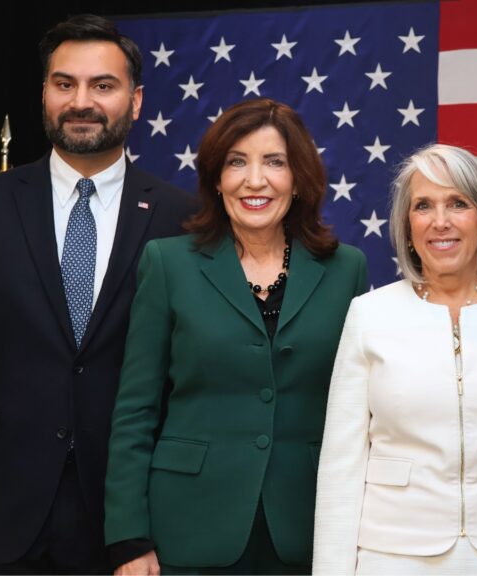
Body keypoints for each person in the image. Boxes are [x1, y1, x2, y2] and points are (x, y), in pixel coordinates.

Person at [0, 14, 194, 575]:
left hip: (125, 525)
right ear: (44, 93)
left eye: (103, 85)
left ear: (137, 100)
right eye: (64, 83)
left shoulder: (183, 218)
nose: (82, 101)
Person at [104, 97, 367, 575]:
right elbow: (135, 409)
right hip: (187, 529)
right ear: (216, 178)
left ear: (299, 178)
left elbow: (361, 410)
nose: (254, 180)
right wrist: (127, 537)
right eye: (236, 163)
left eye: (274, 162)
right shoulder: (168, 263)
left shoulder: (346, 269)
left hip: (308, 531)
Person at [312, 144, 477, 575]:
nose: (440, 221)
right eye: (423, 206)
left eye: (458, 203)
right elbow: (341, 466)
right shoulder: (369, 316)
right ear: (407, 226)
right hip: (393, 556)